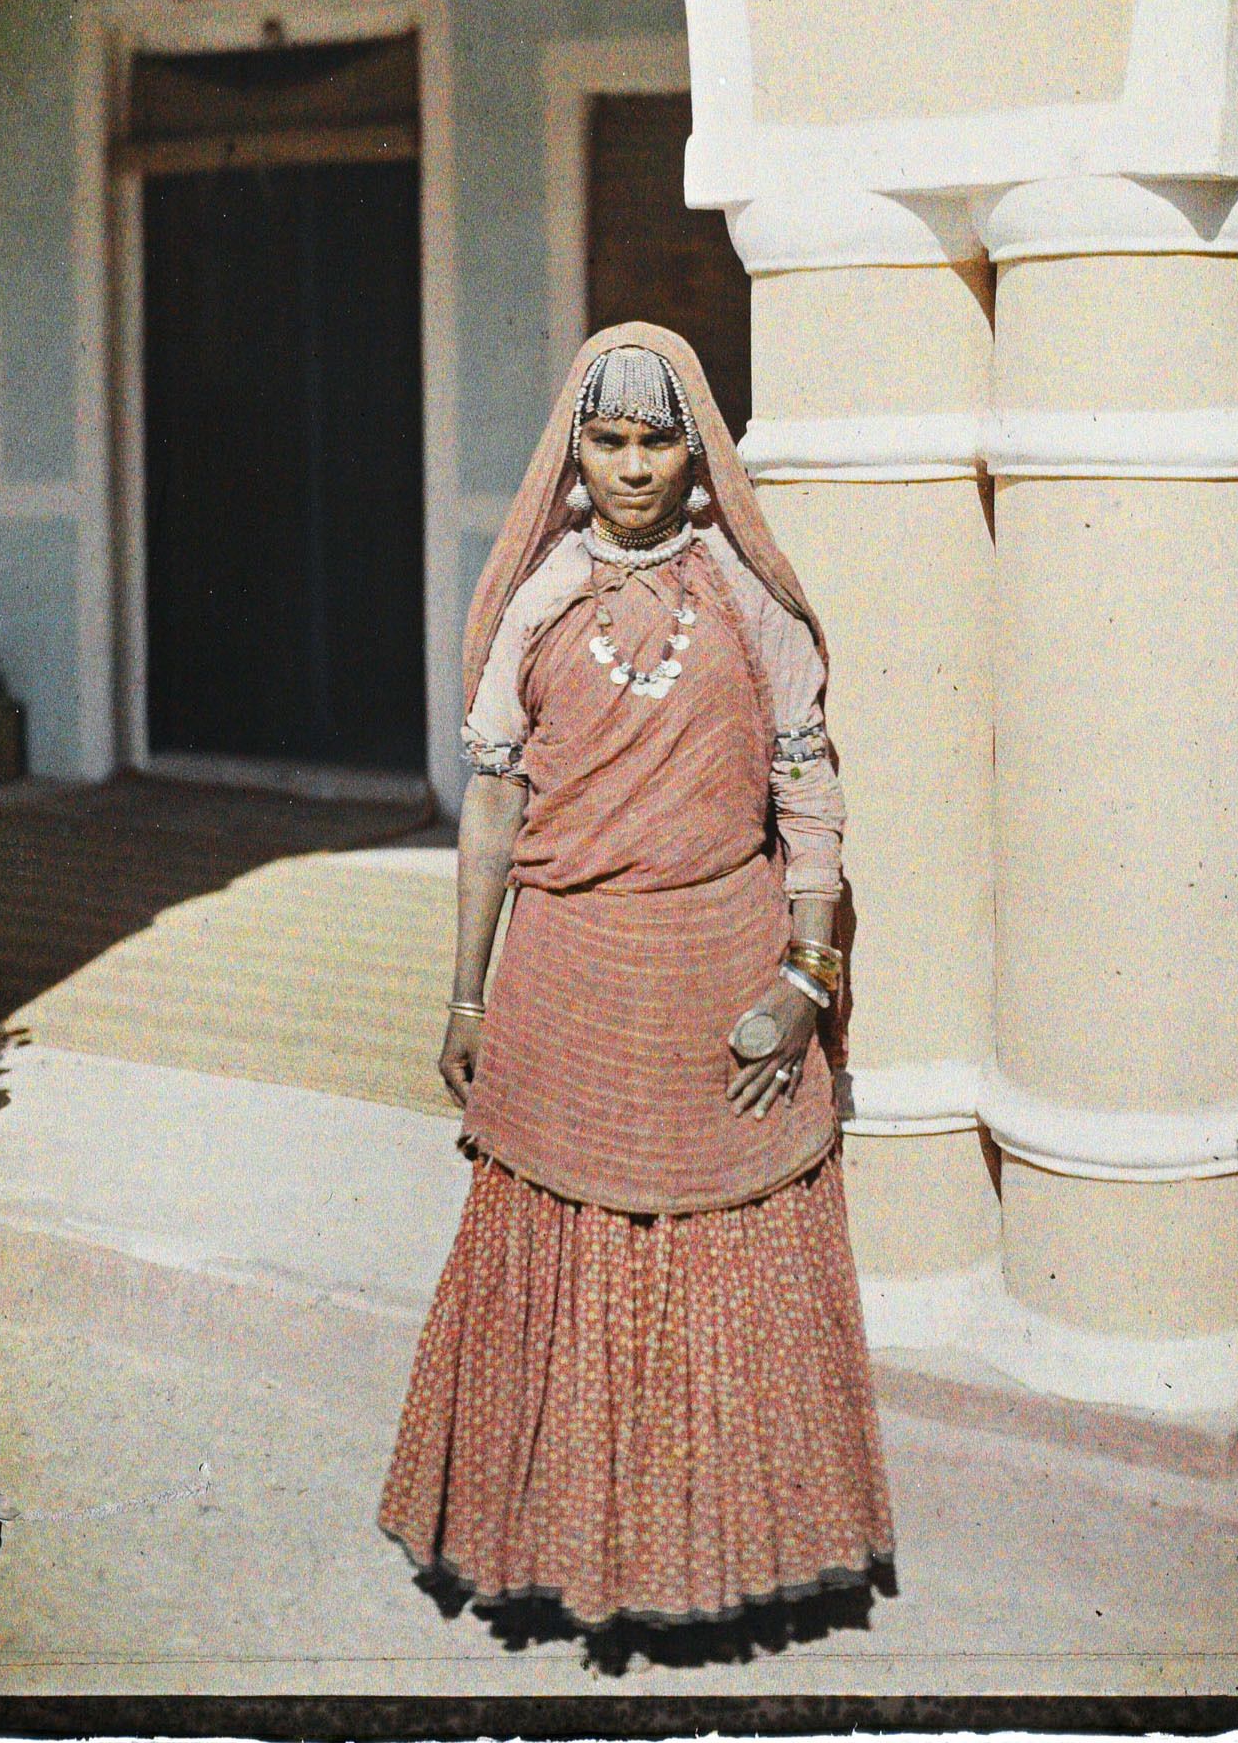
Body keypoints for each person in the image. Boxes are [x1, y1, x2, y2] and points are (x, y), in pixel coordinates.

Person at [378, 320, 895, 1633]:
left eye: (656, 441)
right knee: (568, 1256)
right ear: (574, 450)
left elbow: (810, 791)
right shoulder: (538, 601)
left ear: (693, 448)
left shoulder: (747, 595)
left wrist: (807, 978)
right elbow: (491, 810)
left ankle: (712, 1562)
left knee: (720, 1271)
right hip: (566, 977)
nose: (631, 468)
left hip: (723, 976)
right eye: (605, 440)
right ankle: (568, 1554)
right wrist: (464, 994)